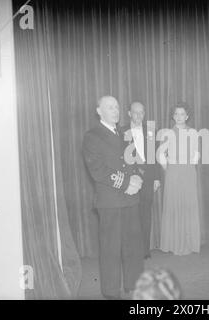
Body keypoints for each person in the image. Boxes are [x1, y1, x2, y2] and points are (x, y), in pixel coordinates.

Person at [82, 96, 144, 299]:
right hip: (110, 201)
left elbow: (133, 160)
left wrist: (138, 178)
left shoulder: (125, 133)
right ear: (99, 111)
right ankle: (110, 291)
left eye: (117, 107)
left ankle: (133, 284)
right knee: (110, 248)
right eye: (110, 107)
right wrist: (127, 183)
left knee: (132, 245)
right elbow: (98, 170)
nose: (115, 111)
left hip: (130, 199)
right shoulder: (92, 136)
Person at [159, 102, 201, 256]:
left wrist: (189, 166)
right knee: (175, 206)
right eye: (176, 114)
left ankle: (189, 243)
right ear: (173, 116)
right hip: (173, 173)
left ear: (187, 116)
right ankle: (175, 244)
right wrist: (168, 168)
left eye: (182, 114)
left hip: (188, 172)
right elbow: (160, 154)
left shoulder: (194, 132)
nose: (179, 117)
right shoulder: (168, 133)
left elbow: (196, 153)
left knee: (188, 206)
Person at [121, 102, 162, 260]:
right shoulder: (121, 131)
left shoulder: (151, 131)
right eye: (135, 113)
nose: (138, 116)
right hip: (130, 180)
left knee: (145, 215)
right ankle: (131, 250)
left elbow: (155, 157)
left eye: (141, 113)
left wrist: (157, 177)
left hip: (149, 178)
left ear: (144, 114)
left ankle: (145, 249)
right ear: (129, 113)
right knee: (130, 215)